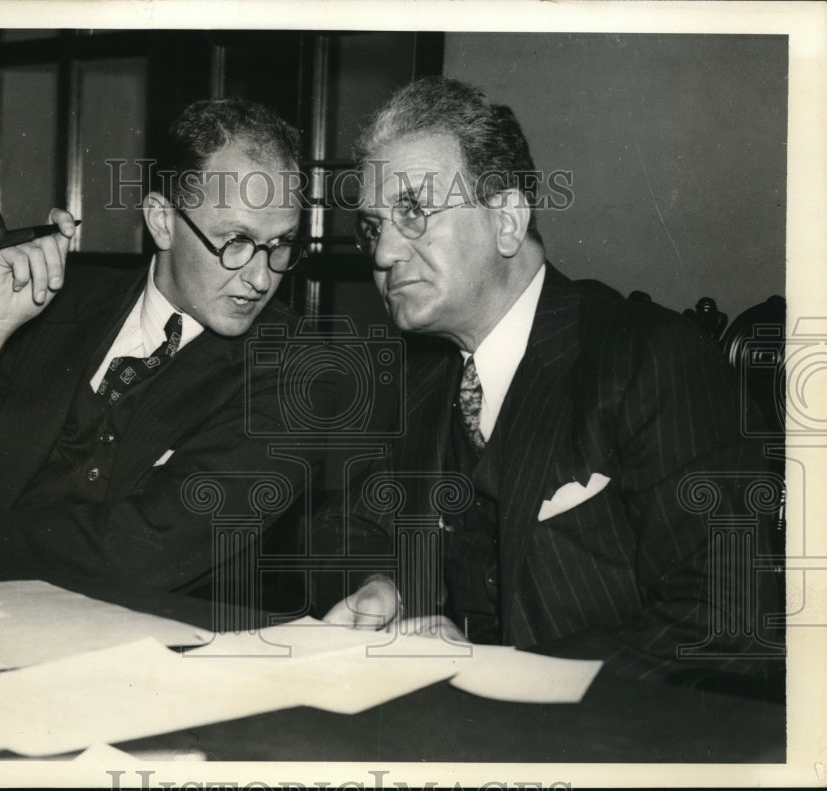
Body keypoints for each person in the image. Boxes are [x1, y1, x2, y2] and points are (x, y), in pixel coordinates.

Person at [323, 77, 783, 686]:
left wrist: (500, 674)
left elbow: (728, 621)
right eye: (373, 225)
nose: (382, 254)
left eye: (413, 211)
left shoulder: (649, 356)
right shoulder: (421, 373)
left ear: (508, 219)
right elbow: (361, 526)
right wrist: (385, 585)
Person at [0, 98, 337, 614]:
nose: (260, 278)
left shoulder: (301, 370)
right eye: (236, 241)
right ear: (162, 221)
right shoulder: (54, 307)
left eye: (281, 245)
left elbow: (143, 553)